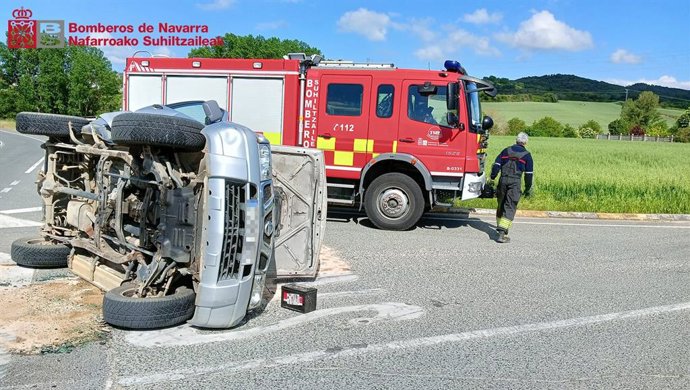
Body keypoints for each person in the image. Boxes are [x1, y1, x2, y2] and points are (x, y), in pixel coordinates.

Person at [489, 132, 534, 243]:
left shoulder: (506, 151)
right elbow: (529, 174)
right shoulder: (527, 155)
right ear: (526, 142)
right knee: (510, 206)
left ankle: (501, 227)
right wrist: (528, 188)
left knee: (501, 204)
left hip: (502, 180)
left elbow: (496, 165)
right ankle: (502, 233)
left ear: (516, 140)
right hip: (515, 183)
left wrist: (493, 177)